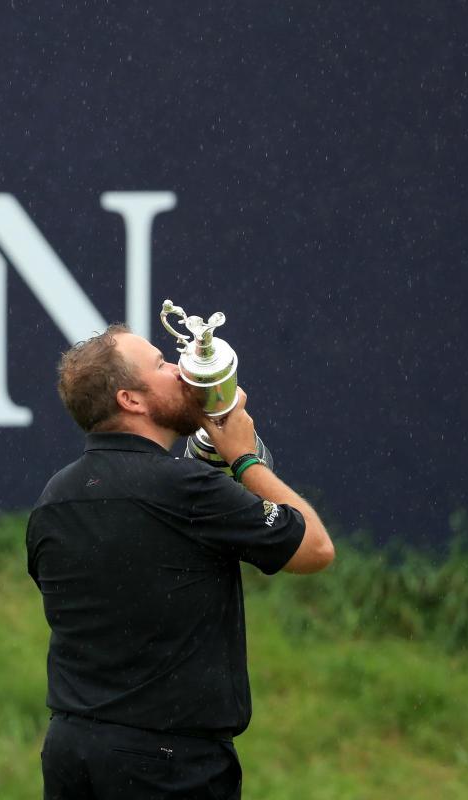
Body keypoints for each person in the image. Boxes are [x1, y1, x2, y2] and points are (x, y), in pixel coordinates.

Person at [27, 324, 334, 799]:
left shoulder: (54, 497)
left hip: (71, 752)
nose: (180, 370)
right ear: (131, 400)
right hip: (166, 765)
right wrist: (244, 459)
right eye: (162, 365)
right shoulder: (185, 488)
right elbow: (314, 549)